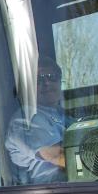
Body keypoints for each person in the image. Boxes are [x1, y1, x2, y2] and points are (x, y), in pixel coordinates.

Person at [5, 56, 67, 184]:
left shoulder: (64, 117)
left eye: (52, 77)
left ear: (60, 82)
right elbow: (61, 156)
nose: (47, 83)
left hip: (73, 188)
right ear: (28, 88)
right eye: (38, 80)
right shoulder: (26, 118)